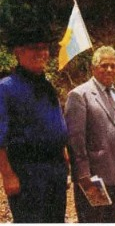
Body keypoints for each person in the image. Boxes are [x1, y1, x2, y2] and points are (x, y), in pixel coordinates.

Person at [0, 15, 68, 223]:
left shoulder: (46, 84)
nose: (42, 54)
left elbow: (55, 121)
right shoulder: (6, 88)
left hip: (55, 170)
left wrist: (63, 155)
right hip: (27, 171)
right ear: (19, 52)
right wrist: (7, 175)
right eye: (34, 48)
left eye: (44, 48)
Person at [64, 46, 115, 223]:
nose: (109, 70)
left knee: (113, 220)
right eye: (104, 65)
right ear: (93, 68)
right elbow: (75, 141)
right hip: (95, 178)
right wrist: (83, 177)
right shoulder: (79, 95)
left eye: (113, 66)